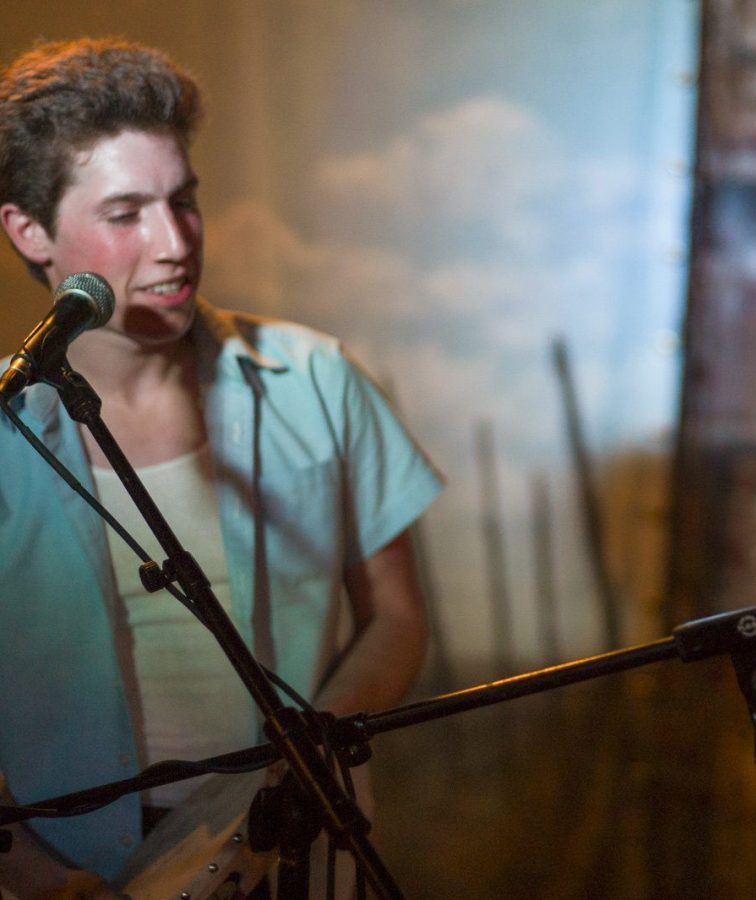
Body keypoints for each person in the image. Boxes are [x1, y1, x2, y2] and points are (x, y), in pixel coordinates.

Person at [0, 37, 442, 898]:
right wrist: (47, 883)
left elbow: (396, 618)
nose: (173, 243)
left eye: (185, 200)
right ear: (29, 231)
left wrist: (303, 757)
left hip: (293, 856)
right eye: (126, 213)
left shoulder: (316, 377)